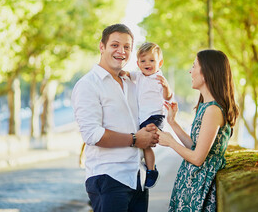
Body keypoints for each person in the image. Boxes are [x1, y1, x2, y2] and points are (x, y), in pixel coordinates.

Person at [71, 24, 159, 212]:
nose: (121, 51)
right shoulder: (88, 85)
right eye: (115, 45)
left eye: (127, 47)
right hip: (108, 179)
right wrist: (135, 139)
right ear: (102, 47)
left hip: (137, 178)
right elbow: (92, 135)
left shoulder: (132, 82)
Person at [157, 49, 239, 211]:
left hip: (199, 190)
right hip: (191, 185)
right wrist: (172, 123)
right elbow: (194, 146)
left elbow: (197, 158)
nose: (190, 71)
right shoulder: (206, 107)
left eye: (194, 66)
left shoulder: (213, 110)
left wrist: (171, 142)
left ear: (207, 72)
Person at [126, 42, 173, 188]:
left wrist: (166, 87)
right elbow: (127, 75)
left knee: (146, 145)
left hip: (155, 116)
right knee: (144, 145)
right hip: (142, 117)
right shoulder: (138, 76)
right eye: (143, 61)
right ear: (138, 63)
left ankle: (152, 170)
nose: (147, 64)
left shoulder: (159, 78)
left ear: (160, 62)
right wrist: (121, 73)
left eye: (152, 60)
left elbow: (168, 97)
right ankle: (148, 166)